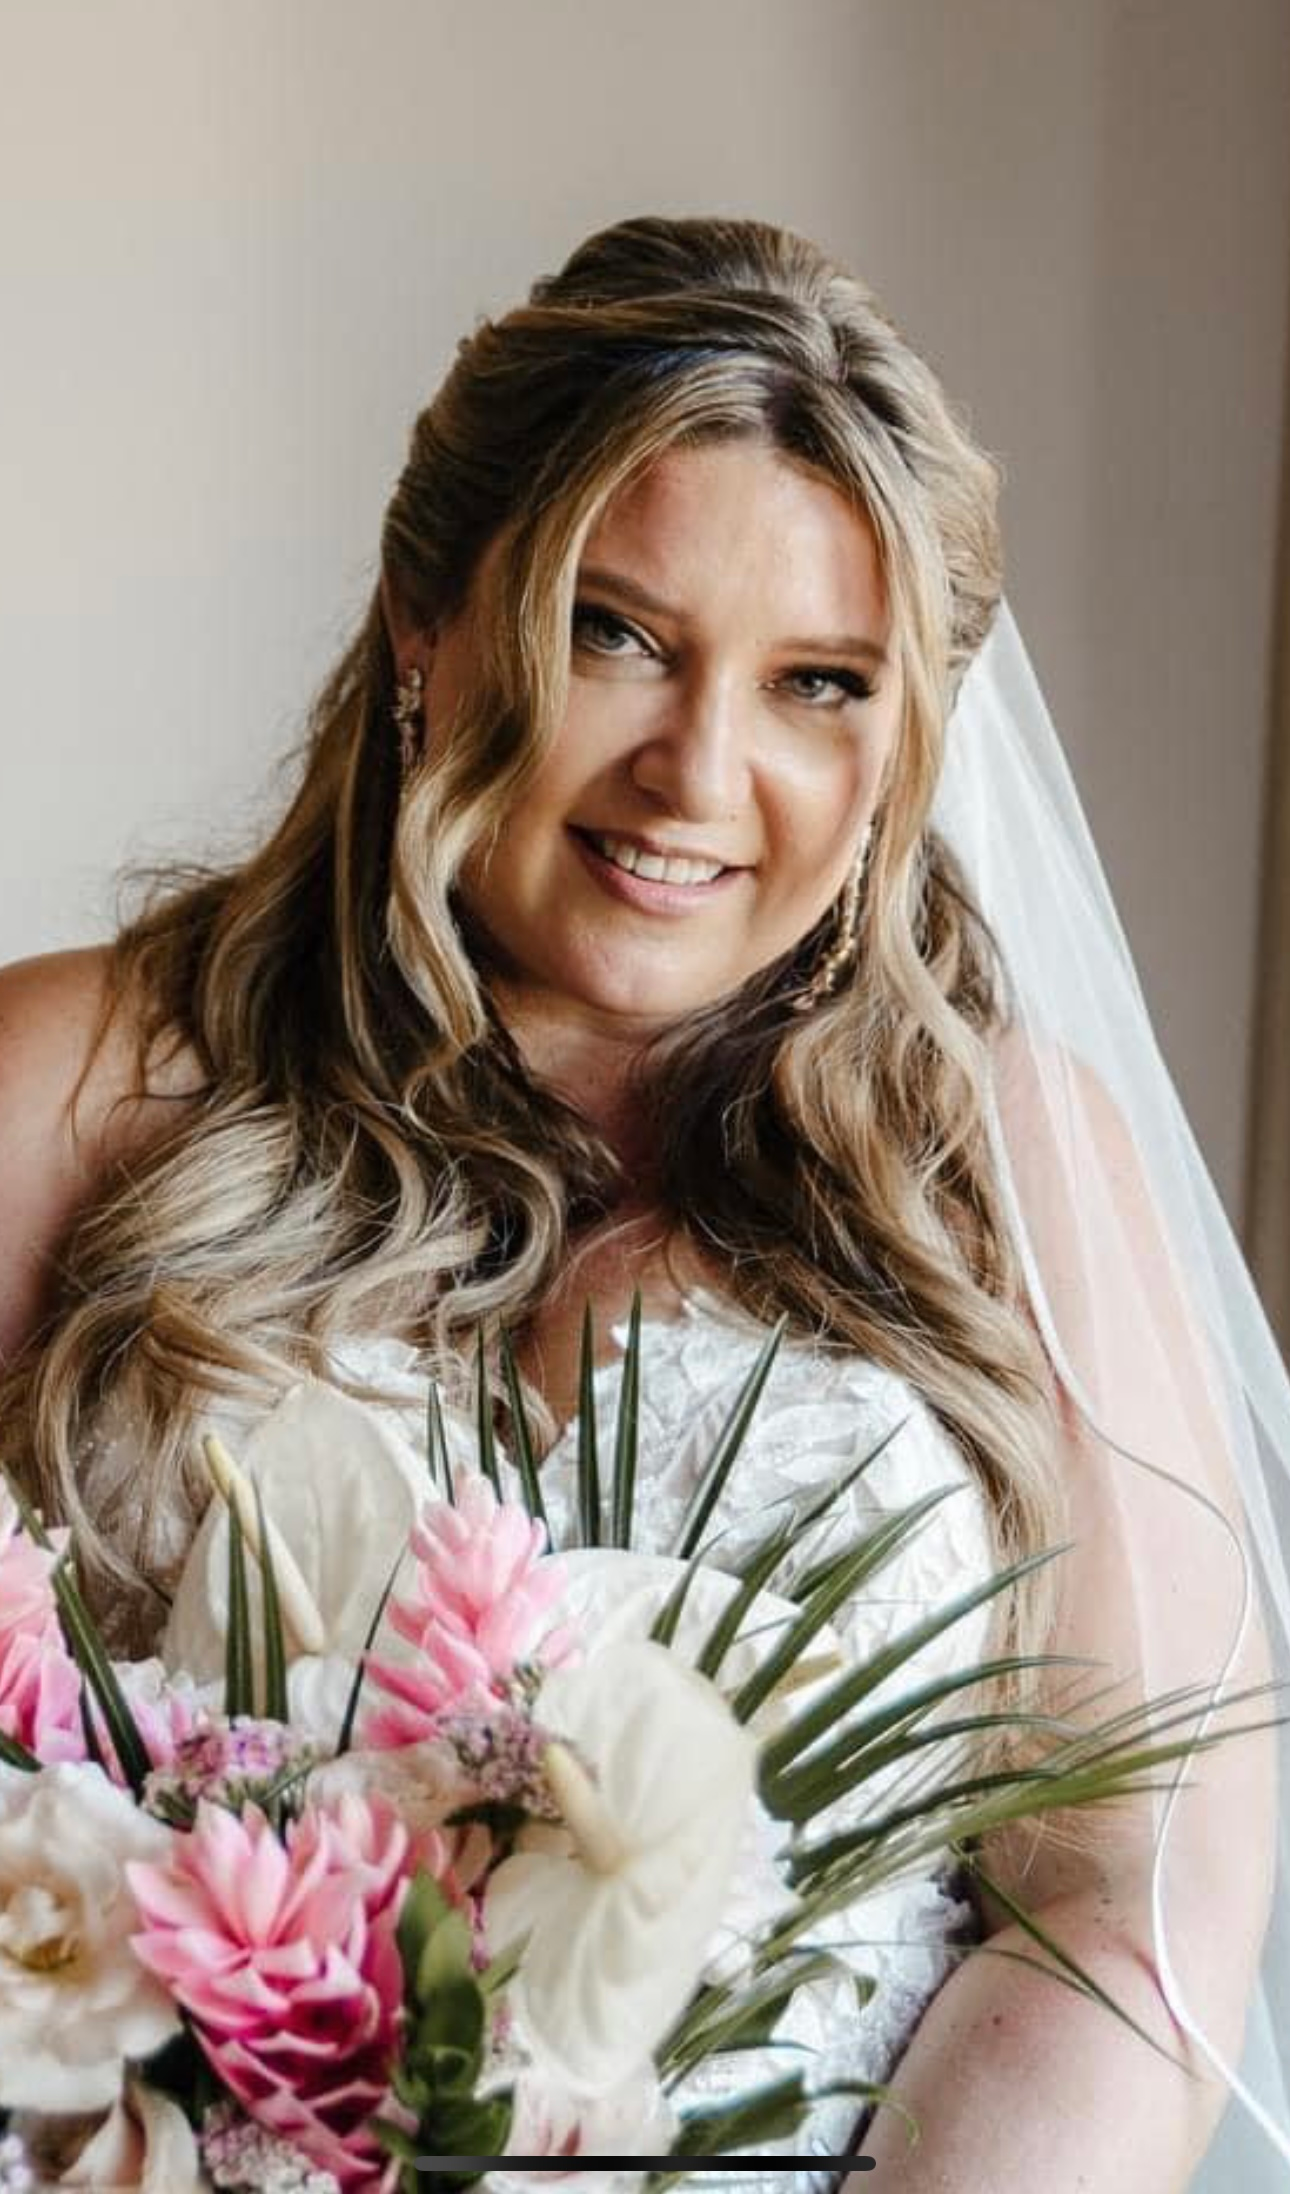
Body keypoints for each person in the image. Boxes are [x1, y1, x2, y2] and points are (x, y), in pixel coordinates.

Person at [0, 213, 1286, 2189]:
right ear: (426, 616)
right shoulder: (80, 1080)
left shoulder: (1017, 1172)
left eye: (819, 685)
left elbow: (1129, 1911)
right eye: (619, 633)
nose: (700, 772)